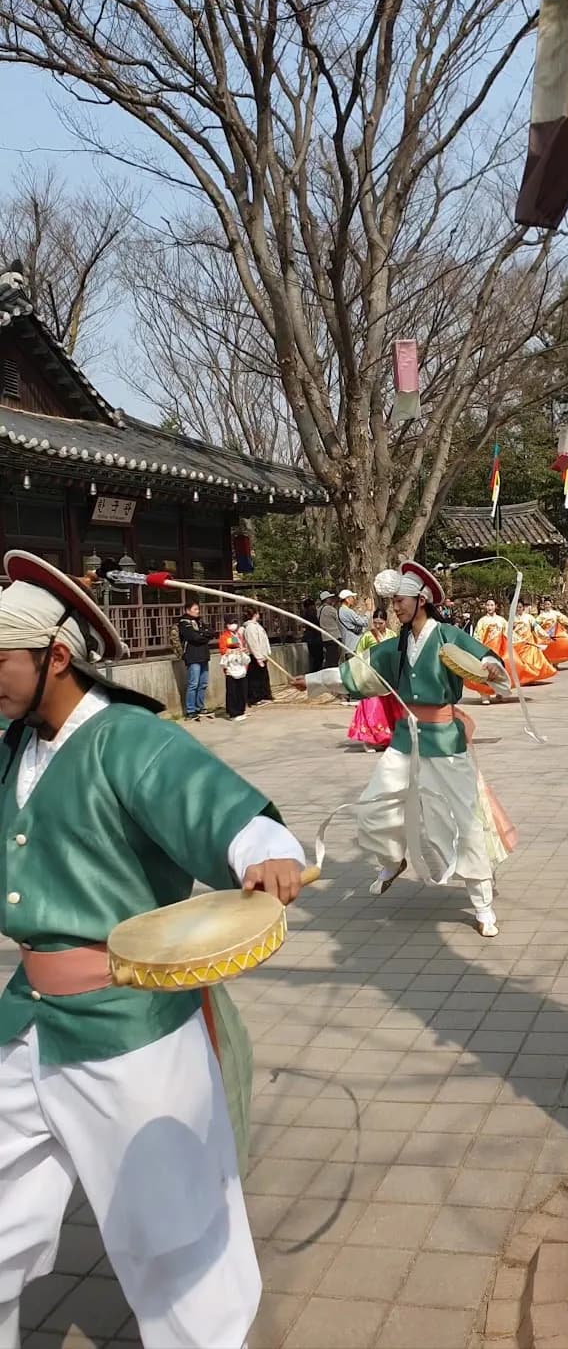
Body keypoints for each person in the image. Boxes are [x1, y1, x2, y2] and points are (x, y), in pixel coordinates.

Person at [0, 550, 306, 1349]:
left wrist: (260, 851)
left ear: (54, 658)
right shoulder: (13, 747)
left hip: (132, 1031)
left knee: (175, 1239)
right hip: (28, 1022)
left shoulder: (130, 741)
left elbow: (218, 808)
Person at [294, 561, 510, 937]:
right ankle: (393, 859)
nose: (395, 607)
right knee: (376, 805)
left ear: (421, 599)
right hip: (404, 739)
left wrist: (490, 668)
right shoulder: (393, 647)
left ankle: (482, 904)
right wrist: (313, 680)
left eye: (400, 600)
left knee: (462, 819)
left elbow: (487, 658)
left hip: (443, 740)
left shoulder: (448, 635)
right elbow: (356, 674)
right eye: (392, 601)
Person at [347, 609, 401, 750]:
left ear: (386, 622)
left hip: (387, 677)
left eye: (381, 623)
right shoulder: (367, 636)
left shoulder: (392, 635)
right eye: (375, 623)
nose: (377, 626)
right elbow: (358, 654)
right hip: (371, 676)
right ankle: (368, 740)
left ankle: (386, 739)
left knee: (388, 708)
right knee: (371, 708)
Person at [178, 598, 213, 721]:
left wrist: (202, 634)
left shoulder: (200, 622)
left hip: (203, 655)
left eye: (198, 609)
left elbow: (210, 633)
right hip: (193, 656)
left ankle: (200, 706)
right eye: (195, 609)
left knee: (203, 683)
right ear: (188, 610)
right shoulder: (184, 623)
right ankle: (190, 710)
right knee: (193, 683)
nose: (198, 611)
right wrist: (202, 635)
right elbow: (193, 637)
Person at [506, 604, 557, 686]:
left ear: (523, 608)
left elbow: (537, 628)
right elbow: (508, 631)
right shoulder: (512, 619)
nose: (518, 609)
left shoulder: (529, 618)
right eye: (517, 607)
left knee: (531, 661)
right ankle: (523, 678)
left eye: (520, 607)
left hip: (529, 643)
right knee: (520, 663)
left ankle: (531, 677)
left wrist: (546, 636)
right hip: (518, 644)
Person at [472, 599, 507, 705]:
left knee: (499, 671)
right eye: (488, 605)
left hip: (499, 651)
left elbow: (508, 634)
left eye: (492, 605)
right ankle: (484, 695)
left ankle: (499, 692)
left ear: (495, 606)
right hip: (486, 651)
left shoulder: (501, 620)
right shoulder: (482, 621)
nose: (490, 607)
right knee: (484, 673)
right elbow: (477, 636)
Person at [219, 617, 250, 721]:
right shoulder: (224, 636)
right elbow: (223, 650)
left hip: (241, 665)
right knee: (233, 690)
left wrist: (243, 650)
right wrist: (233, 651)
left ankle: (241, 710)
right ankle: (233, 712)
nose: (233, 625)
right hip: (231, 666)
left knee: (242, 689)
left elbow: (242, 645)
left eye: (235, 623)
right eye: (231, 623)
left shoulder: (238, 635)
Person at [242, 608, 273, 707]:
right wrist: (258, 657)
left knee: (263, 676)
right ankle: (255, 698)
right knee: (255, 678)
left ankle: (264, 695)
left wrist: (267, 652)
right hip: (255, 656)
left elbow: (264, 640)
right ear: (255, 614)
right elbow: (253, 643)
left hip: (262, 654)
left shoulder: (256, 626)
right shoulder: (250, 627)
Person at [537, 596, 568, 666]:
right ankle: (548, 663)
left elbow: (565, 620)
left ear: (551, 604)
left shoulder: (555, 613)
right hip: (546, 634)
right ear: (543, 605)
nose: (547, 606)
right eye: (545, 604)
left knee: (558, 647)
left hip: (555, 633)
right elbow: (536, 624)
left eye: (548, 604)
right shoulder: (541, 615)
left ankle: (556, 663)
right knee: (547, 649)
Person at [318, 591, 341, 667]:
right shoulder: (329, 609)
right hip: (333, 636)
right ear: (326, 599)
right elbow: (339, 618)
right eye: (330, 598)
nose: (331, 600)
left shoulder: (319, 609)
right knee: (334, 659)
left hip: (325, 637)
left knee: (329, 657)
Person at [302, 597, 324, 671]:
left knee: (315, 658)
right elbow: (315, 624)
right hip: (314, 637)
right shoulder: (311, 612)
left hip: (311, 637)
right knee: (318, 657)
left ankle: (315, 671)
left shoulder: (305, 613)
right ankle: (316, 672)